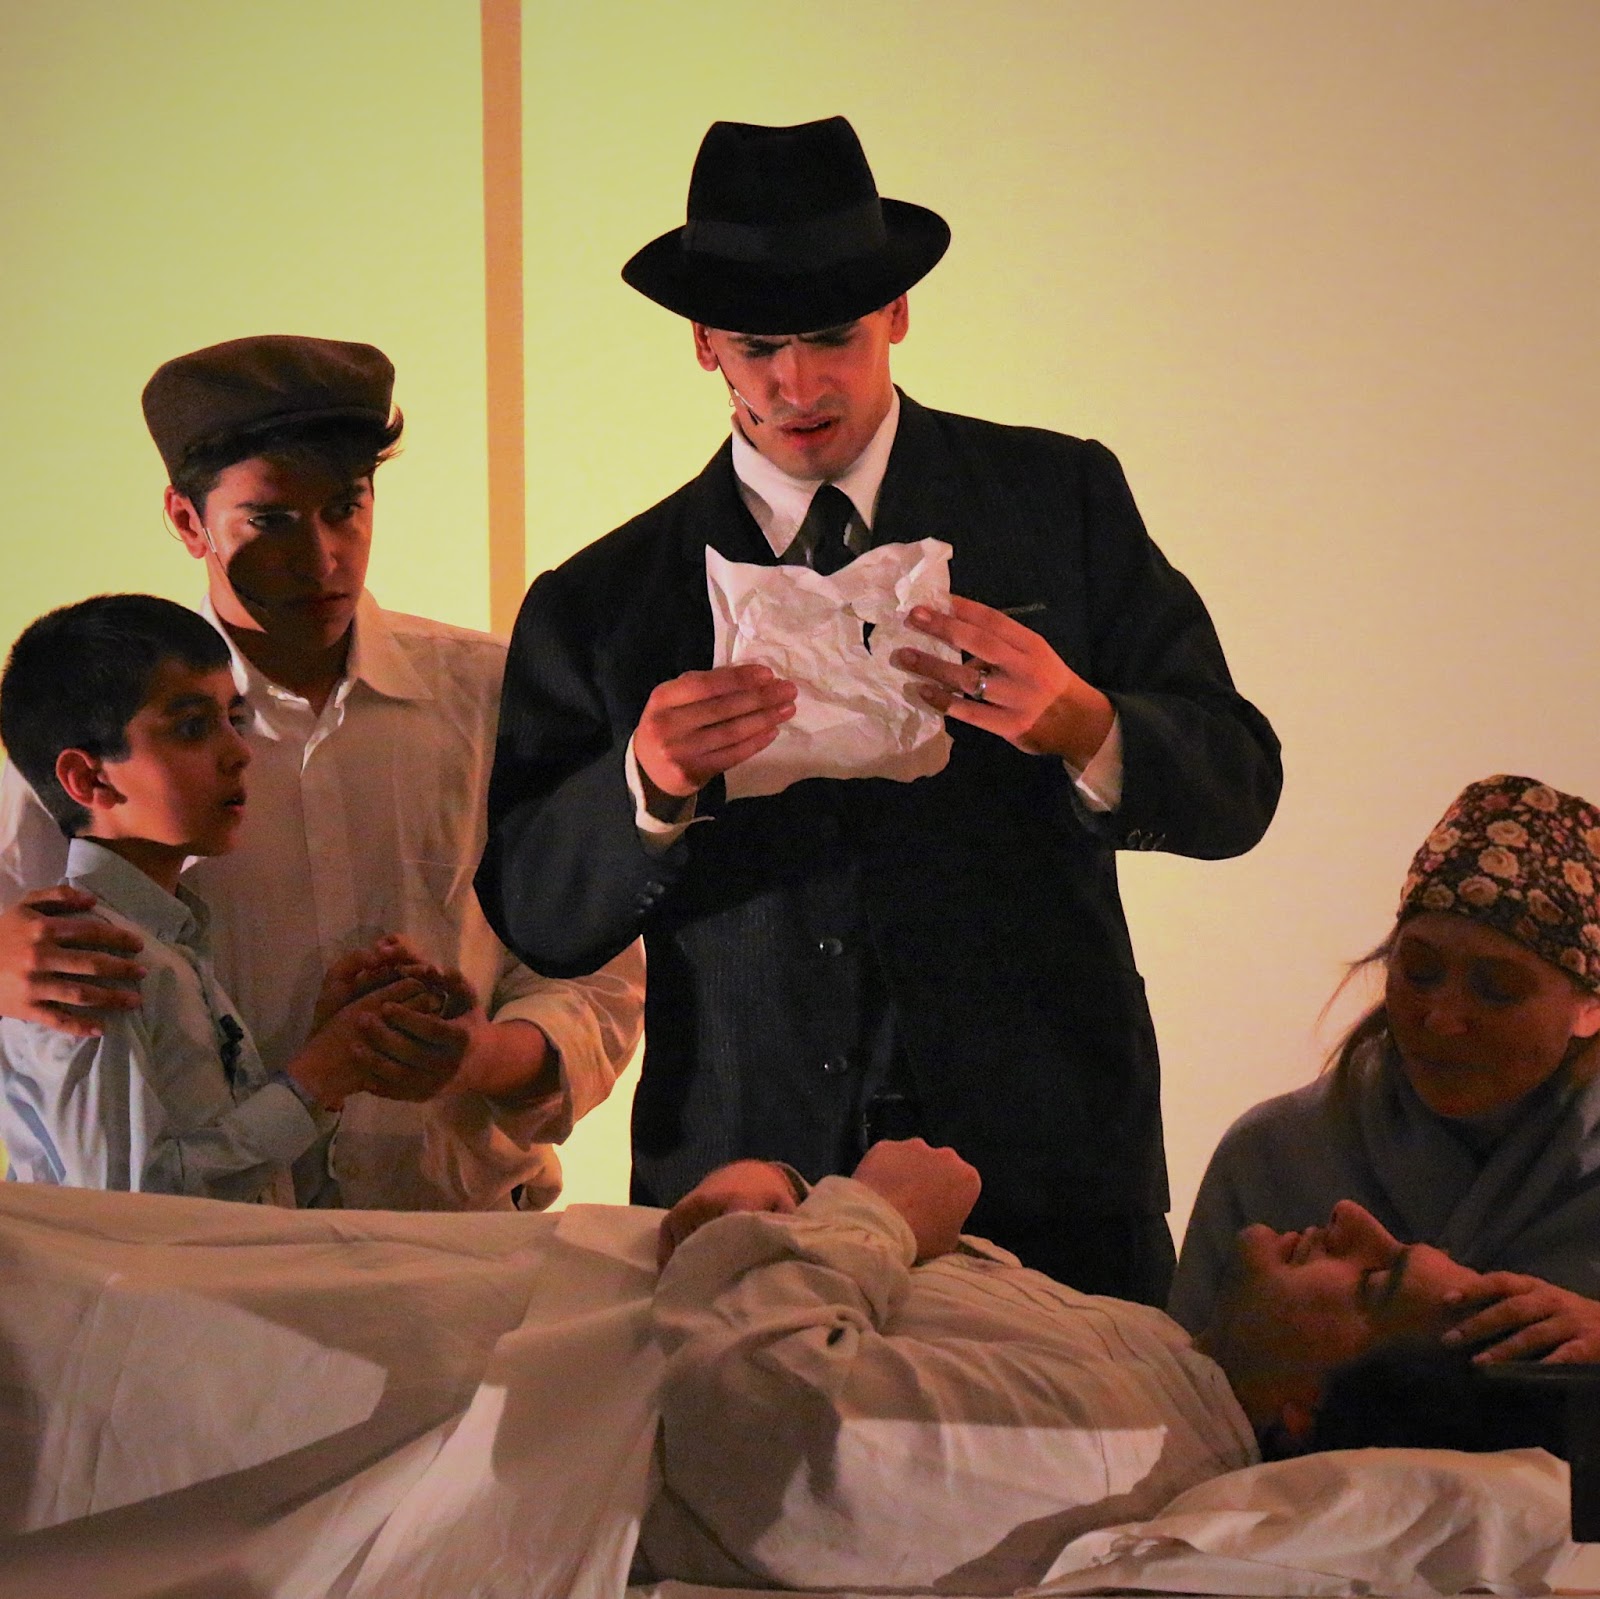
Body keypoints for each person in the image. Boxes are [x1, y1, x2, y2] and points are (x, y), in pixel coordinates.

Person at [476, 115, 1282, 1298]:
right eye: (757, 346)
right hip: (750, 1177)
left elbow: (1238, 783)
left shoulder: (1056, 499)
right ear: (703, 344)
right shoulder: (603, 599)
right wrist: (643, 785)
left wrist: (1083, 723)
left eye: (832, 336)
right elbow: (536, 916)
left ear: (896, 314)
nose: (798, 383)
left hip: (1050, 1167)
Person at [0, 335, 644, 1210]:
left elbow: (595, 971)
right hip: (209, 1267)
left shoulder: (494, 697)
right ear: (188, 520)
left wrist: (480, 1054)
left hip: (469, 1238)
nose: (322, 557)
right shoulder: (101, 738)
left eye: (346, 506)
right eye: (270, 521)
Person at [639, 1137, 1536, 1593]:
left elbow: (766, 1426)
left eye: (1375, 1281)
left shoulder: (1112, 1446)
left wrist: (872, 1212)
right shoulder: (1158, 1353)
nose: (1351, 1217)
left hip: (560, 1420)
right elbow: (874, 1285)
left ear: (1305, 1408)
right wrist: (778, 1193)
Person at [0, 594, 460, 1201]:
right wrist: (312, 1082)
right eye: (192, 728)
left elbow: (217, 1164)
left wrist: (330, 1050)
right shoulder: (82, 960)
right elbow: (125, 1213)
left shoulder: (173, 938)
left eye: (233, 719)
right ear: (89, 778)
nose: (240, 752)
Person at [1170, 774, 1600, 1351]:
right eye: (1419, 972)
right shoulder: (1273, 1154)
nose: (1442, 1018)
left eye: (1497, 989)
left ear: (1589, 1009)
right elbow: (1187, 1379)